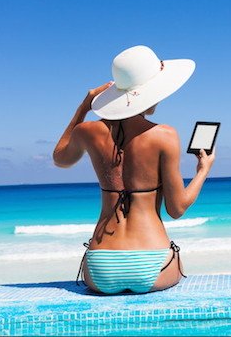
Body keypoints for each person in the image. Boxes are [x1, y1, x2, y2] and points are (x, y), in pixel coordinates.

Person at [53, 45, 215, 294]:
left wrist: (84, 107)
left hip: (100, 267)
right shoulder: (165, 135)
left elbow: (60, 159)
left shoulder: (87, 132)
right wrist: (203, 170)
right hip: (153, 263)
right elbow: (176, 209)